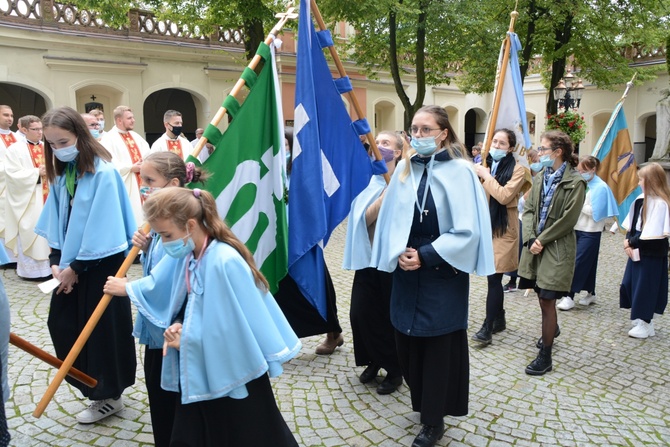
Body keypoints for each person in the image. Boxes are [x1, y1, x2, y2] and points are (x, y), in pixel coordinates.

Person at [104, 187, 301, 446]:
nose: (164, 243)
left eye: (166, 235)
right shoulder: (194, 255)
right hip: (203, 371)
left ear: (191, 224)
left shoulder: (223, 261)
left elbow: (235, 331)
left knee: (251, 432)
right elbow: (193, 305)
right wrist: (178, 325)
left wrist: (188, 338)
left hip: (232, 373)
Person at [371, 105, 495, 447]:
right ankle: (422, 402)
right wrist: (398, 250)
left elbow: (467, 230)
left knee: (437, 347)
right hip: (405, 267)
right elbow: (390, 220)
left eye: (427, 129)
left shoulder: (461, 171)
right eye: (414, 129)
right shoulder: (405, 170)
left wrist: (425, 255)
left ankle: (433, 419)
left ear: (443, 133)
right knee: (407, 343)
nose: (419, 135)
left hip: (442, 270)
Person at [35, 106, 137, 424]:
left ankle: (108, 394)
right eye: (51, 144)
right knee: (63, 325)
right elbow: (58, 220)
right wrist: (56, 262)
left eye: (62, 142)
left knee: (102, 333)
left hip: (101, 267)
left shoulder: (102, 173)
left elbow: (103, 228)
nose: (57, 149)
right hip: (69, 268)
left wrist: (75, 268)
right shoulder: (67, 172)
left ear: (80, 135)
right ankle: (90, 386)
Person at [126, 152, 206, 446]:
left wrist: (129, 288)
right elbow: (162, 263)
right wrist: (148, 248)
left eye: (150, 180)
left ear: (173, 183)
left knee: (172, 402)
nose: (144, 186)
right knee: (159, 401)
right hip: (158, 330)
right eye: (142, 180)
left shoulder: (181, 224)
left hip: (173, 331)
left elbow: (174, 278)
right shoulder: (163, 224)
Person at [518, 130, 585, 375]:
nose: (539, 153)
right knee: (540, 294)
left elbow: (568, 220)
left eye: (543, 149)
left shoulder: (575, 182)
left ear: (557, 152)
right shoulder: (539, 177)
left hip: (556, 249)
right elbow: (528, 211)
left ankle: (545, 355)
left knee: (548, 299)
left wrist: (543, 240)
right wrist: (531, 239)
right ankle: (551, 328)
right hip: (536, 247)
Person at [344, 131, 403, 395]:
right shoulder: (367, 182)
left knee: (388, 316)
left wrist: (394, 191)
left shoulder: (404, 182)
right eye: (377, 143)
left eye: (387, 144)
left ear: (399, 152)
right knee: (361, 313)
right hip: (367, 260)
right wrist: (384, 197)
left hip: (391, 261)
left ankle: (394, 369)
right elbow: (362, 220)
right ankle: (373, 359)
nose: (380, 147)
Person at [472, 129, 530, 345]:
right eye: (494, 141)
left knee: (494, 277)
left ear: (511, 148)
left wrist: (486, 177)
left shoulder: (519, 170)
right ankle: (500, 318)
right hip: (486, 226)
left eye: (502, 143)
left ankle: (487, 327)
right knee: (492, 276)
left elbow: (504, 196)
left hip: (504, 229)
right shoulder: (485, 164)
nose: (496, 146)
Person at [556, 156, 618, 311]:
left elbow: (596, 212)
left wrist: (578, 203)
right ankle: (591, 293)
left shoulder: (601, 187)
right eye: (579, 170)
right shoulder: (581, 183)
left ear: (593, 169)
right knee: (588, 263)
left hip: (591, 231)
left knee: (579, 262)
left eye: (583, 171)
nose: (580, 173)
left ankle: (569, 295)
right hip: (577, 229)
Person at [620, 162, 670, 338]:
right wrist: (628, 240)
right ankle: (640, 317)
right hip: (637, 250)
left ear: (652, 181)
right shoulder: (641, 199)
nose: (639, 182)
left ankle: (646, 321)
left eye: (642, 179)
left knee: (646, 287)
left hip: (651, 253)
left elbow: (651, 233)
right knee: (631, 284)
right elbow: (632, 225)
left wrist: (630, 243)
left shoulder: (661, 204)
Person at [4, 115, 51, 278]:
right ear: (24, 130)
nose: (40, 133)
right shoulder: (15, 150)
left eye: (41, 129)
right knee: (32, 232)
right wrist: (36, 172)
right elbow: (11, 174)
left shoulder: (48, 147)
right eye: (35, 129)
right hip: (30, 199)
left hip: (48, 196)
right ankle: (33, 272)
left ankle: (52, 268)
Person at [100, 105, 150, 225]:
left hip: (141, 182)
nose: (133, 120)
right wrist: (131, 167)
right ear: (119, 120)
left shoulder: (136, 136)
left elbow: (148, 153)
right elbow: (108, 162)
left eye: (133, 117)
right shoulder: (108, 139)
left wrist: (145, 164)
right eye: (129, 118)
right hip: (126, 184)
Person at [503, 148, 540, 292]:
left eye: (539, 161)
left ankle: (531, 279)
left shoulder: (543, 177)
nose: (537, 164)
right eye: (535, 161)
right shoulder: (524, 178)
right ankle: (512, 280)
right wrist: (527, 195)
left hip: (536, 221)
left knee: (531, 251)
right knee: (518, 249)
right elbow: (518, 203)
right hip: (521, 217)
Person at [0, 105, 18, 266]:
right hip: (3, 186)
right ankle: (5, 258)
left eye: (11, 115)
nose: (9, 118)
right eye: (5, 115)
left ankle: (15, 257)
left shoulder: (17, 137)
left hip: (17, 187)